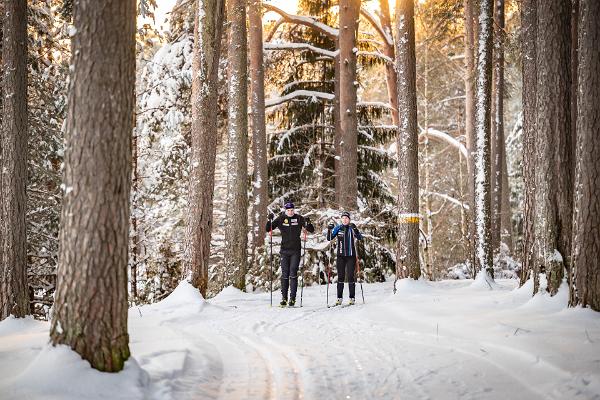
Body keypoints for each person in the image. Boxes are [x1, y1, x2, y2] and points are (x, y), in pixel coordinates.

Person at [266, 202, 315, 307]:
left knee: (293, 273)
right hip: (284, 250)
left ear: (294, 210)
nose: (290, 212)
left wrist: (308, 223)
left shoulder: (298, 218)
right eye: (288, 210)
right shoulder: (281, 218)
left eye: (292, 210)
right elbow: (268, 228)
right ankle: (284, 299)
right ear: (285, 210)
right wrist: (269, 220)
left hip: (295, 251)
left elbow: (311, 230)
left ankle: (292, 299)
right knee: (284, 274)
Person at [326, 211, 362, 306]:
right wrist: (329, 229)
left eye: (346, 218)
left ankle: (352, 298)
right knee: (340, 277)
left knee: (350, 276)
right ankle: (339, 298)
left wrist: (356, 229)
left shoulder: (351, 227)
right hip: (341, 256)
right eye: (343, 218)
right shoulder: (338, 228)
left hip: (351, 256)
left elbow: (360, 237)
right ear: (341, 219)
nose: (345, 219)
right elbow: (329, 238)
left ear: (349, 219)